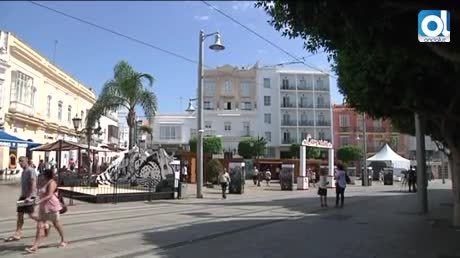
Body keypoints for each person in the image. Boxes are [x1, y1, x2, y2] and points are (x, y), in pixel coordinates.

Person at [26, 169, 67, 253]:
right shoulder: (43, 182)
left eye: (43, 174)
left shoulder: (52, 182)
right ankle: (35, 246)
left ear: (46, 175)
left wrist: (37, 202)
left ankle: (63, 240)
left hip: (52, 207)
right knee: (39, 226)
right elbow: (39, 194)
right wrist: (31, 199)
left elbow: (49, 195)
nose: (41, 175)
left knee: (57, 224)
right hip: (43, 207)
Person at [5, 156, 38, 242]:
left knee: (32, 215)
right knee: (19, 215)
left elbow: (33, 184)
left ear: (26, 161)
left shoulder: (31, 170)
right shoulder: (23, 172)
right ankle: (18, 233)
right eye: (19, 161)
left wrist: (30, 196)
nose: (20, 163)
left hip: (30, 196)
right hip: (23, 196)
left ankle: (45, 224)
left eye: (22, 161)